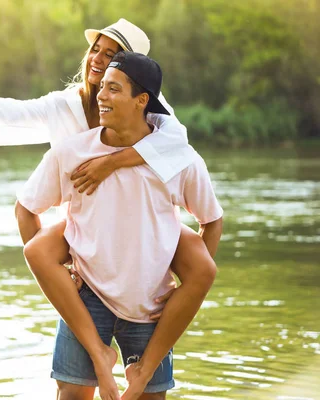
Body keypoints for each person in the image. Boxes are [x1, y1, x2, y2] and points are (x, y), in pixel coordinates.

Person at [0, 19, 218, 400]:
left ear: (140, 93)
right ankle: (94, 341)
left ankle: (141, 361)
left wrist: (112, 162)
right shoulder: (67, 106)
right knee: (41, 251)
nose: (98, 59)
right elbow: (15, 112)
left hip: (140, 233)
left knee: (199, 265)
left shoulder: (161, 122)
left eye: (111, 54)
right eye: (95, 49)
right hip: (87, 222)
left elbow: (179, 149)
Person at [15, 51, 224, 399]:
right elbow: (25, 209)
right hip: (87, 297)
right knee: (71, 394)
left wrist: (182, 292)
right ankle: (100, 354)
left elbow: (211, 221)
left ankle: (141, 371)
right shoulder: (72, 153)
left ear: (141, 100)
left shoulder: (180, 160)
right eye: (102, 88)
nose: (100, 95)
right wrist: (65, 277)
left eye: (113, 89)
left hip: (149, 302)